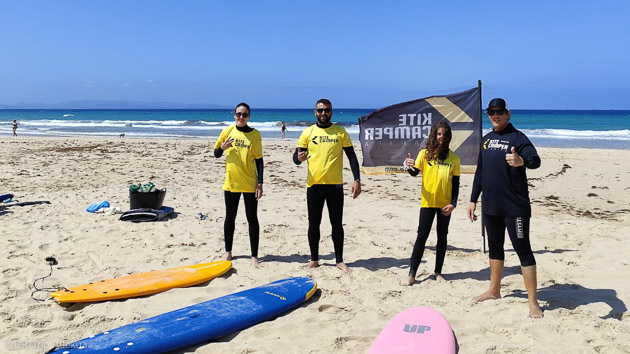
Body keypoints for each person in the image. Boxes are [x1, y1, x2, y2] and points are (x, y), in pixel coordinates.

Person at [467, 98, 543, 318]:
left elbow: (534, 159)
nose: (495, 116)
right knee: (495, 247)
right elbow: (480, 172)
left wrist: (521, 161)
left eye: (499, 112)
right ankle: (494, 290)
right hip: (491, 205)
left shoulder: (518, 138)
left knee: (523, 250)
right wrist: (473, 199)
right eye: (491, 113)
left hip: (515, 207)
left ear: (508, 114)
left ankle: (533, 302)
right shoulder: (486, 140)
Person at [293, 98, 361, 273]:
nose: (324, 113)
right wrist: (298, 159)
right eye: (320, 110)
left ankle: (339, 260)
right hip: (314, 186)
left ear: (331, 112)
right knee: (313, 224)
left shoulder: (340, 132)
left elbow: (352, 156)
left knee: (336, 224)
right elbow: (297, 157)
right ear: (315, 112)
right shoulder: (307, 133)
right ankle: (314, 259)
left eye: (327, 110)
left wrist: (357, 179)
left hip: (335, 186)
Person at [403, 120, 460, 285]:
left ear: (449, 136)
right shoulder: (425, 153)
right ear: (434, 135)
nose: (441, 137)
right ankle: (412, 274)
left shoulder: (454, 158)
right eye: (439, 134)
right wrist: (407, 165)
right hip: (427, 203)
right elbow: (414, 172)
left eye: (445, 134)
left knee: (442, 238)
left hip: (445, 205)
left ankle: (438, 272)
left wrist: (453, 203)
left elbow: (455, 184)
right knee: (422, 236)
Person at [214, 102, 264, 267]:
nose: (241, 117)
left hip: (249, 183)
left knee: (252, 219)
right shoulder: (227, 131)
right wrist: (222, 147)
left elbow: (259, 160)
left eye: (244, 115)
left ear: (249, 116)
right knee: (230, 217)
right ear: (234, 115)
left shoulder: (255, 135)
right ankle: (228, 252)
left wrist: (260, 183)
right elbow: (216, 154)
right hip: (231, 182)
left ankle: (254, 256)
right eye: (238, 114)